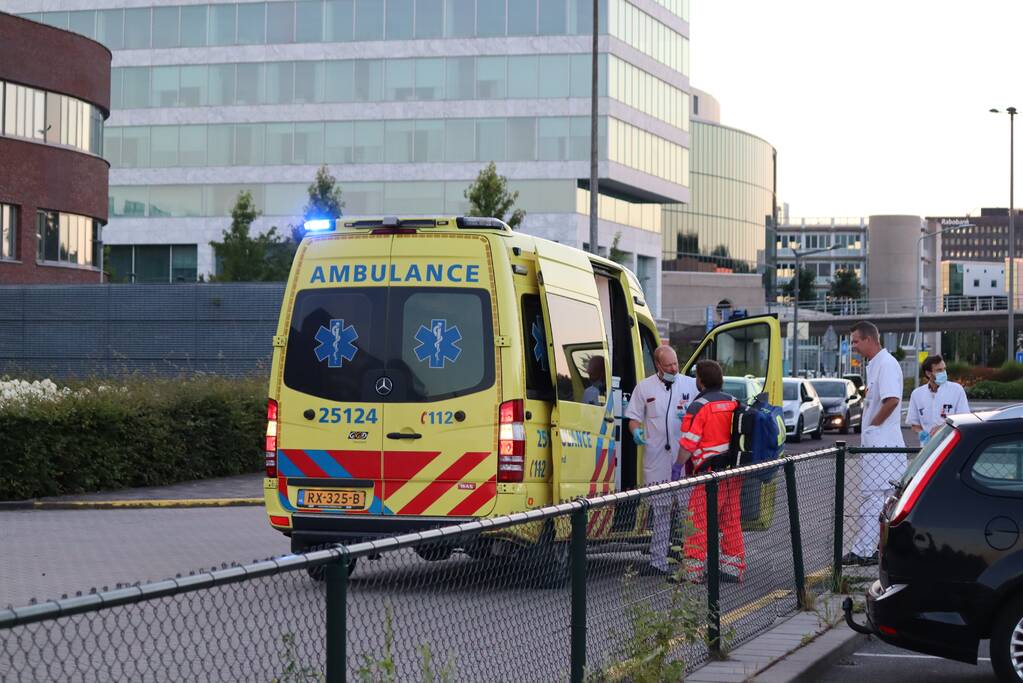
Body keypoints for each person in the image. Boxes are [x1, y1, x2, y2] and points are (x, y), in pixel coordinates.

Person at [624, 345, 698, 577]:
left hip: (683, 457)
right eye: (668, 365)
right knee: (661, 510)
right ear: (658, 365)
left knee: (689, 511)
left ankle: (693, 561)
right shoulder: (644, 388)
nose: (674, 368)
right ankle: (658, 562)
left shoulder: (690, 384)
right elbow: (633, 418)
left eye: (675, 363)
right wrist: (636, 432)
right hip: (657, 456)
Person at [845, 321, 904, 566]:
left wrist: (874, 427)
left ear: (870, 339)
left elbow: (891, 400)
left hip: (883, 445)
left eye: (856, 341)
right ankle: (879, 547)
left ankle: (864, 550)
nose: (853, 347)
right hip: (878, 443)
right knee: (882, 498)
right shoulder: (876, 365)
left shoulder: (887, 365)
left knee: (876, 497)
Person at [679, 360, 744, 583]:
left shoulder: (700, 406)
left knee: (698, 521)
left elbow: (689, 443)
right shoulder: (733, 402)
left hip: (708, 474)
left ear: (700, 380)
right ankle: (732, 568)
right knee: (731, 520)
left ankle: (693, 571)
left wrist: (677, 466)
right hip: (733, 472)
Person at [906, 355, 969, 447]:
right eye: (939, 370)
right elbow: (914, 424)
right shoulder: (917, 394)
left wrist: (942, 429)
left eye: (944, 369)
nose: (943, 373)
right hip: (927, 447)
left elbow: (963, 418)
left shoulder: (956, 390)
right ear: (928, 373)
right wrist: (922, 433)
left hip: (952, 445)